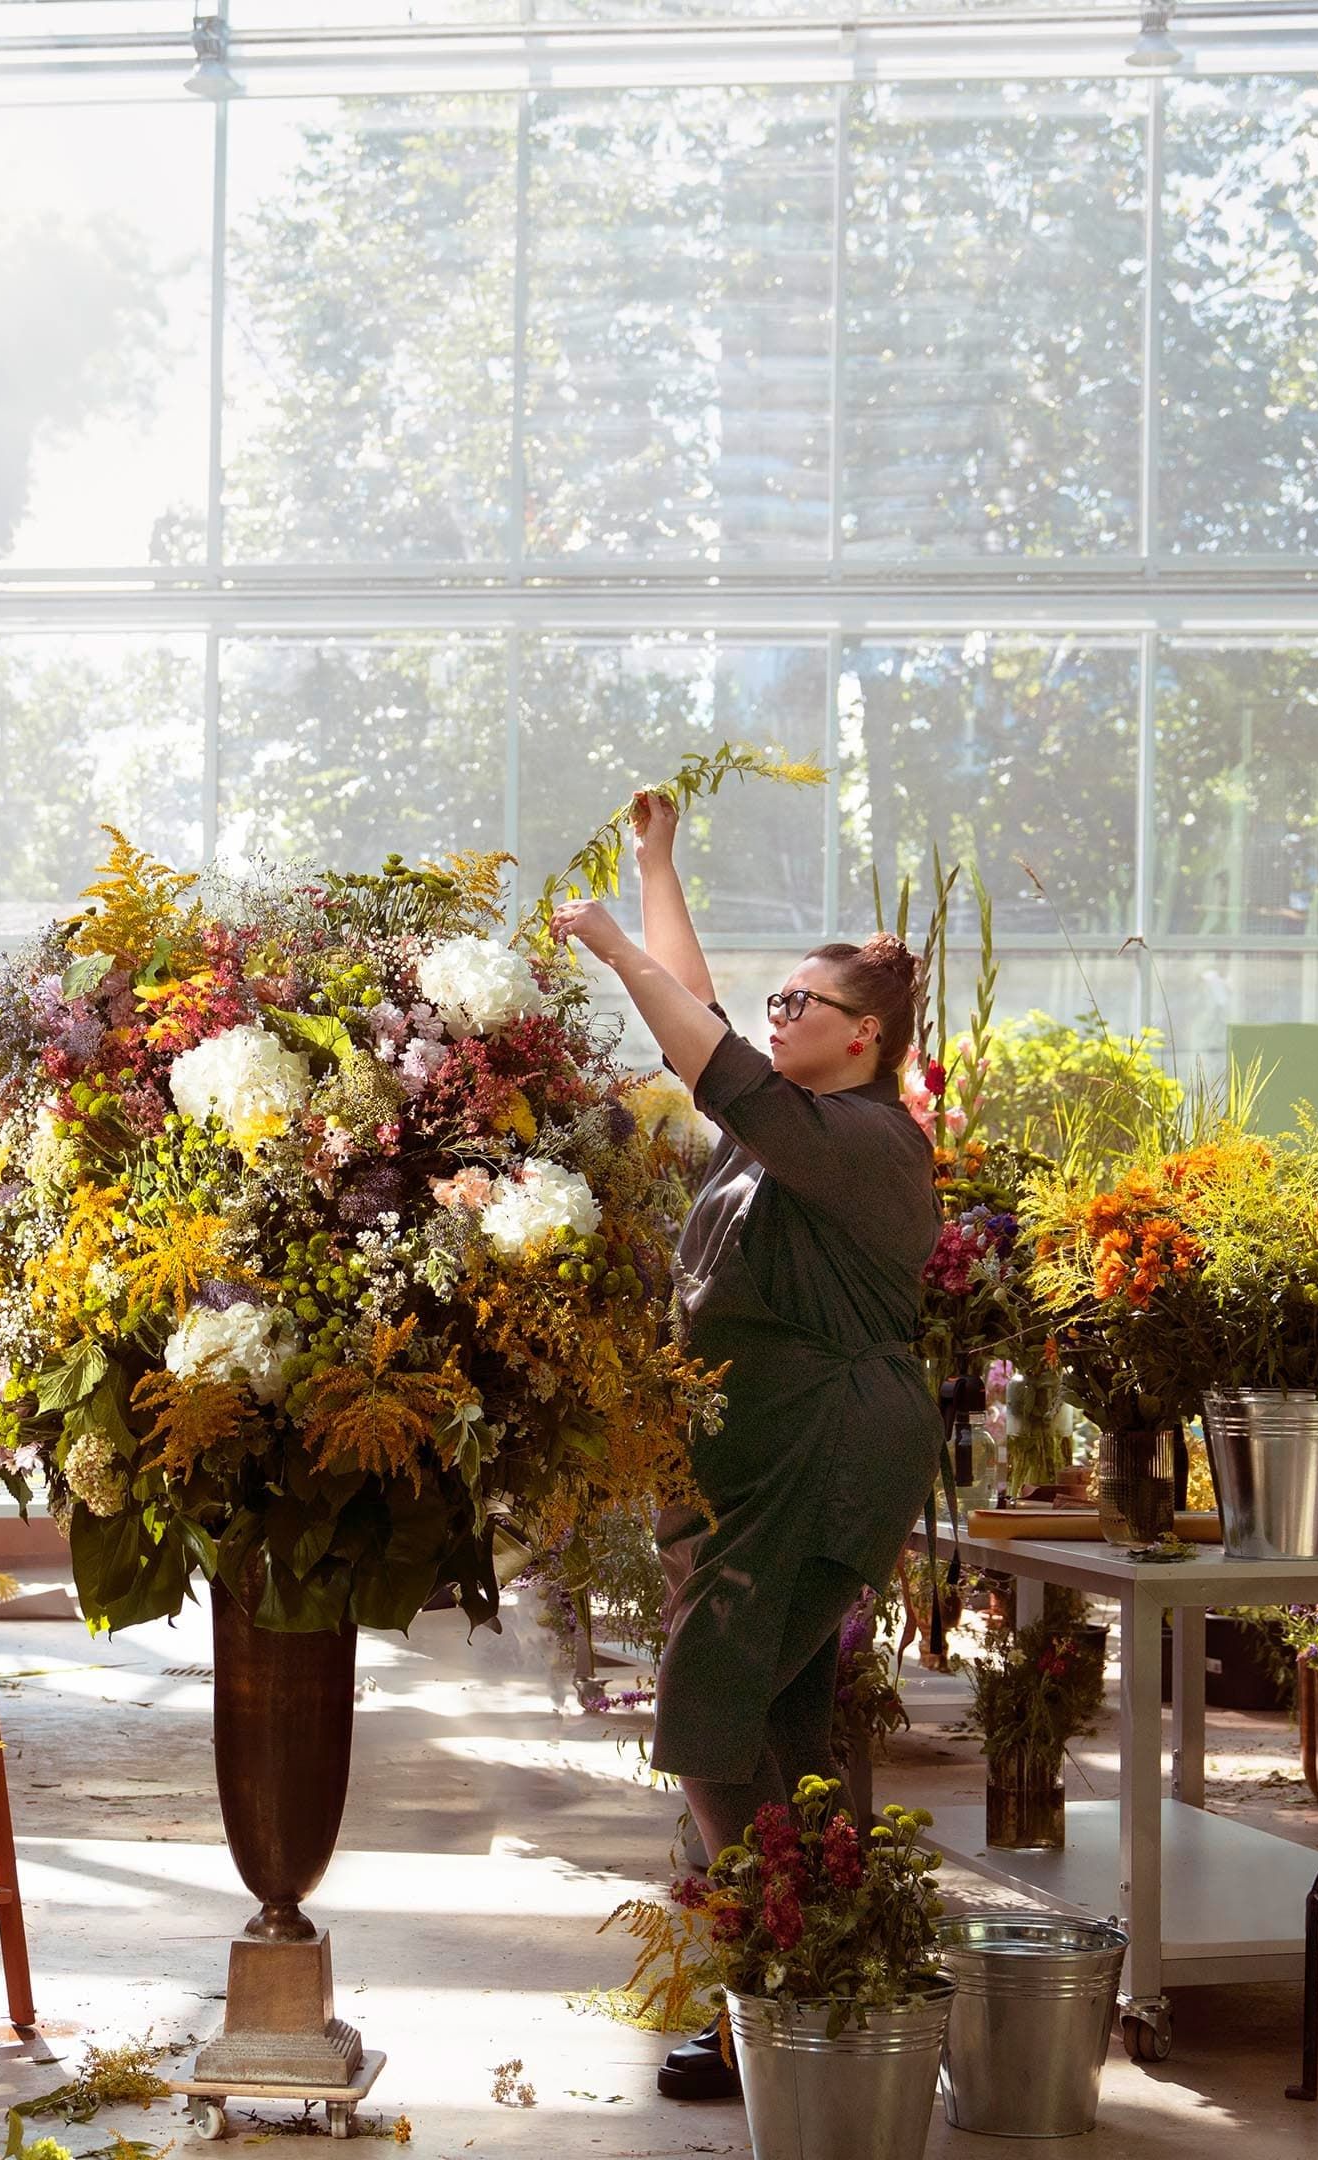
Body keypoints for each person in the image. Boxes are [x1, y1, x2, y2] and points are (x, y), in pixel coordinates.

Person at [549, 789, 942, 2104]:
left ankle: (785, 1970)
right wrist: (657, 866)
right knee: (776, 1721)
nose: (773, 1019)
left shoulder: (869, 1142)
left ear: (864, 1036)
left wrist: (614, 945)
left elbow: (702, 1048)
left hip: (821, 1454)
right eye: (772, 1004)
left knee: (707, 1709)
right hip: (751, 1455)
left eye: (798, 1005)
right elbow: (705, 1028)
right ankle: (800, 2002)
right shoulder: (783, 1132)